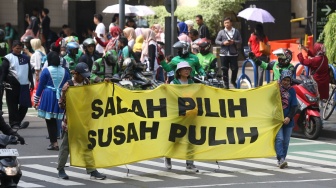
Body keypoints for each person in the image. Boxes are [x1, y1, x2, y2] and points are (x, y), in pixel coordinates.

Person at [57, 62, 106, 180]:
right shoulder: (68, 85)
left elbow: (93, 96)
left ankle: (92, 170)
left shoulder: (86, 83)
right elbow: (61, 105)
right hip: (70, 122)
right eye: (82, 75)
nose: (85, 77)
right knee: (65, 147)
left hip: (83, 121)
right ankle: (61, 169)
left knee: (87, 145)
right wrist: (64, 94)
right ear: (76, 74)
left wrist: (104, 85)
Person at [165, 61, 198, 173]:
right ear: (178, 72)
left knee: (191, 140)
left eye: (188, 69)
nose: (187, 71)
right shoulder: (173, 83)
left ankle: (190, 163)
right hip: (178, 116)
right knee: (175, 139)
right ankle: (168, 157)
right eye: (184, 69)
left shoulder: (192, 82)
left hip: (190, 116)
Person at [33, 51, 70, 150]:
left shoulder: (46, 71)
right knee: (62, 119)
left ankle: (54, 142)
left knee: (50, 120)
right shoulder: (65, 71)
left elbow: (40, 87)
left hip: (48, 95)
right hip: (61, 95)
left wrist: (36, 100)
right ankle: (65, 141)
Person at [0, 40, 33, 128]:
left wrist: (32, 82)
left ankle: (17, 121)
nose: (18, 50)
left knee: (25, 105)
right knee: (12, 105)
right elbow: (3, 72)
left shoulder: (26, 58)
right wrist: (2, 82)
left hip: (24, 84)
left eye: (20, 48)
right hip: (12, 85)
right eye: (17, 48)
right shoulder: (8, 58)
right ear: (12, 48)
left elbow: (29, 71)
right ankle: (14, 123)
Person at [275, 70, 298, 169]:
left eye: (288, 80)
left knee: (286, 141)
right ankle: (280, 159)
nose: (286, 82)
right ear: (281, 79)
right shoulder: (276, 89)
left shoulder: (292, 91)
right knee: (279, 139)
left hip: (288, 120)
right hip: (277, 120)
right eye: (284, 80)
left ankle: (282, 158)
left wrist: (289, 117)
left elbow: (294, 106)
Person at [215, 17, 242, 89]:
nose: (226, 24)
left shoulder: (236, 31)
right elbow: (216, 41)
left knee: (235, 69)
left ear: (231, 23)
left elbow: (240, 41)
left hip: (233, 53)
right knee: (224, 69)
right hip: (224, 53)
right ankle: (226, 84)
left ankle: (233, 81)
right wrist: (223, 43)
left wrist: (234, 42)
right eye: (225, 23)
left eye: (228, 22)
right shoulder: (221, 32)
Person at [0, 29, 10, 111]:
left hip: (2, 66)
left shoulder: (5, 44)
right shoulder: (5, 44)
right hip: (3, 66)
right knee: (1, 85)